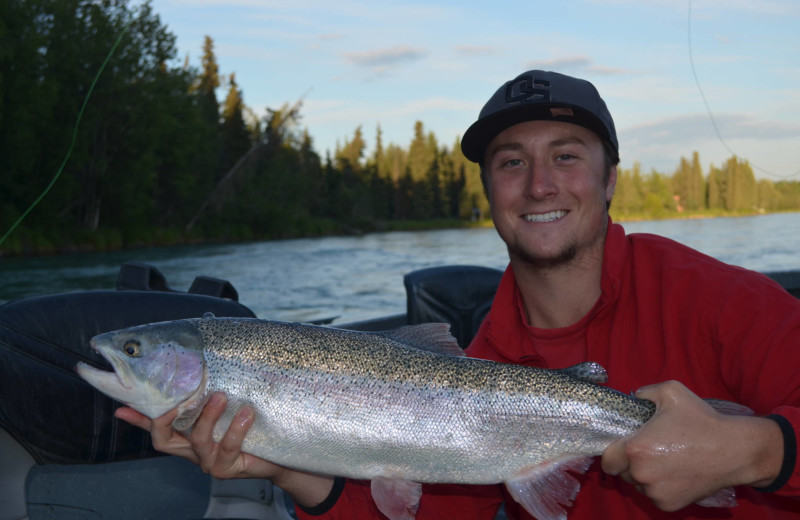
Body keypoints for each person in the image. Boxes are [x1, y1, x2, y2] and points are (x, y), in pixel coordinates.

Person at [117, 69, 800, 519]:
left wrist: (758, 451)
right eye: (512, 162)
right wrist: (286, 468)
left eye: (566, 155)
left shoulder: (719, 301)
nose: (539, 185)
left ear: (611, 178)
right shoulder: (478, 358)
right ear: (488, 190)